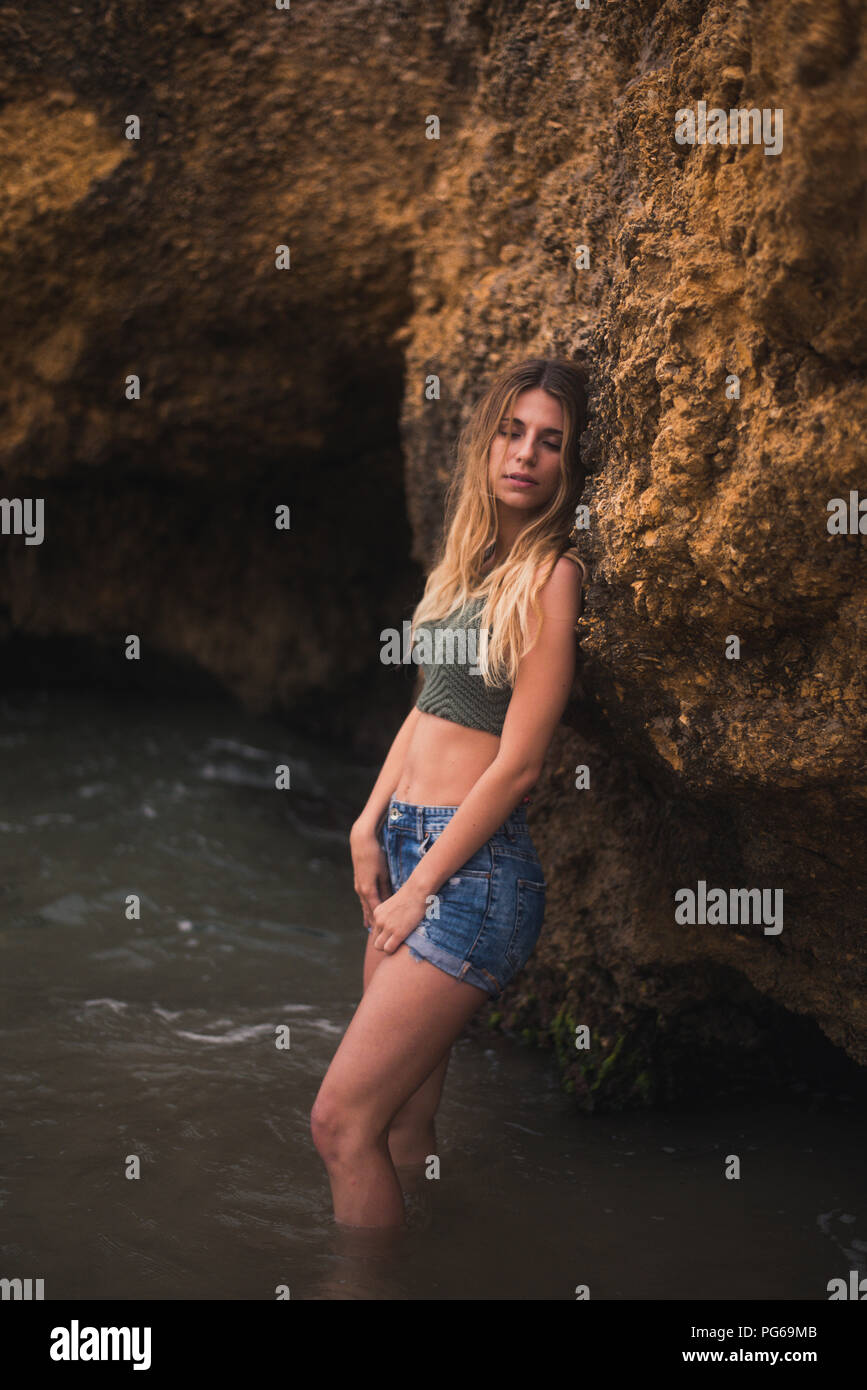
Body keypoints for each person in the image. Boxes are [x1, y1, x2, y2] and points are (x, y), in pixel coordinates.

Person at [311, 356, 590, 1228]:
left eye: (550, 442)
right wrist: (366, 824)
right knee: (397, 1130)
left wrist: (421, 885)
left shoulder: (551, 577)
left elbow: (518, 764)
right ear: (486, 442)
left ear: (567, 467)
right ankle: (440, 1271)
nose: (526, 454)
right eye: (512, 432)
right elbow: (428, 706)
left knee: (338, 1124)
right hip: (407, 848)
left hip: (472, 879)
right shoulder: (462, 565)